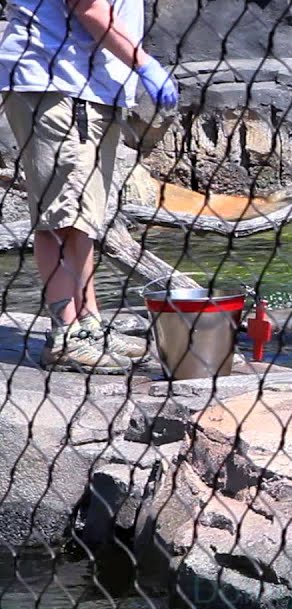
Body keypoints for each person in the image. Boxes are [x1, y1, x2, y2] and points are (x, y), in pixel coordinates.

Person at [0, 0, 179, 373]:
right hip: (57, 82)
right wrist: (144, 64)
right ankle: (66, 335)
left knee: (81, 218)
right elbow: (89, 8)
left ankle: (89, 325)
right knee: (61, 217)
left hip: (86, 88)